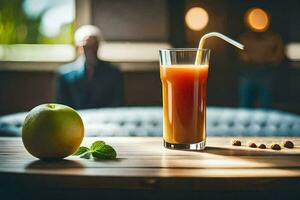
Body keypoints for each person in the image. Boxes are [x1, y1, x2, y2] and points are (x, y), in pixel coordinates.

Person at [56, 25, 123, 109]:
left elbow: (117, 104)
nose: (90, 50)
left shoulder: (113, 73)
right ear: (79, 48)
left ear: (98, 46)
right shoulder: (65, 74)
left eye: (94, 45)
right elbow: (62, 105)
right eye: (87, 46)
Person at [238, 29, 284, 109]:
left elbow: (280, 53)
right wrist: (245, 57)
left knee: (265, 104)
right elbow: (240, 52)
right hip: (248, 72)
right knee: (245, 104)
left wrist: (272, 60)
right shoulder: (245, 37)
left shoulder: (273, 38)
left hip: (265, 72)